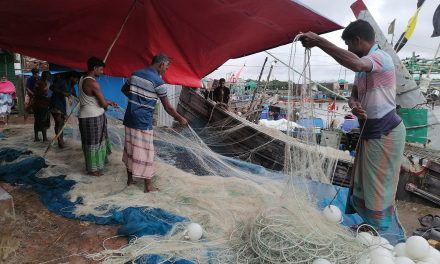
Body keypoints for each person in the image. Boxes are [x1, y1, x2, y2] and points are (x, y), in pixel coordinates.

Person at [300, 20, 406, 231]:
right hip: (369, 131)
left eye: (349, 45)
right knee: (364, 181)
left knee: (378, 185)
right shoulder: (361, 70)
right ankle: (368, 225)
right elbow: (354, 96)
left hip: (386, 132)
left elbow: (357, 63)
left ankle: (376, 232)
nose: (349, 50)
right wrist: (355, 105)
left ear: (357, 40)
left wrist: (320, 41)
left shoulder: (380, 58)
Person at [121, 53, 188, 192]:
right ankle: (148, 186)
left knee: (130, 149)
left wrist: (136, 98)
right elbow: (168, 107)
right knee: (147, 153)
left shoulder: (135, 74)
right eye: (167, 68)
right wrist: (180, 118)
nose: (166, 71)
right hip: (143, 121)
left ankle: (130, 179)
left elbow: (124, 90)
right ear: (161, 65)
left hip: (129, 118)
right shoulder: (158, 82)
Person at [78, 57, 117, 176]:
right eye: (101, 69)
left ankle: (97, 165)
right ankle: (93, 170)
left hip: (88, 114)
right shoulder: (92, 82)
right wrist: (108, 103)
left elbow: (94, 99)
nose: (102, 72)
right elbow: (103, 103)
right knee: (93, 143)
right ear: (94, 68)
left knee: (95, 142)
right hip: (92, 117)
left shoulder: (82, 78)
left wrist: (109, 102)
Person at [50, 72, 78, 148]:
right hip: (56, 104)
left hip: (63, 107)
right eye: (76, 79)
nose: (76, 81)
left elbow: (75, 97)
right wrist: (63, 93)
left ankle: (60, 139)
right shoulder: (62, 81)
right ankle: (60, 142)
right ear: (71, 77)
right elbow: (52, 87)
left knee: (61, 123)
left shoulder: (72, 87)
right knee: (59, 122)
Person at [33, 71, 52, 141]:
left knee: (44, 121)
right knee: (40, 120)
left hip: (45, 104)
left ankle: (43, 137)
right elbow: (35, 94)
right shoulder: (39, 83)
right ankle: (38, 137)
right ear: (44, 76)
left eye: (49, 75)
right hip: (39, 105)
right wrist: (45, 98)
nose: (48, 77)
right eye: (47, 75)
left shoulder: (47, 83)